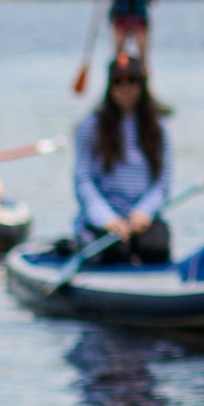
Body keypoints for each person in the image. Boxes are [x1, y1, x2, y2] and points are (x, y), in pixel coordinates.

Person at [74, 45, 172, 263]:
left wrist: (144, 213)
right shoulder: (91, 126)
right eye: (119, 82)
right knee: (117, 251)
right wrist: (107, 219)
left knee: (155, 248)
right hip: (105, 219)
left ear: (142, 85)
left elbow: (162, 182)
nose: (126, 88)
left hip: (141, 219)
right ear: (110, 87)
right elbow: (83, 181)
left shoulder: (158, 128)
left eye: (132, 82)